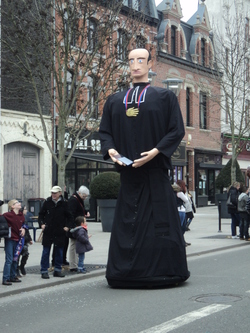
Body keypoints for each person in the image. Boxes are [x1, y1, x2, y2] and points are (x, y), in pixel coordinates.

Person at [99, 47, 190, 288]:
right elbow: (105, 132)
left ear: (151, 63)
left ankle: (163, 271)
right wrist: (112, 151)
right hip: (129, 177)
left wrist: (156, 151)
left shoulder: (165, 97)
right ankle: (124, 271)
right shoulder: (115, 100)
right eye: (131, 60)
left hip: (155, 176)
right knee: (127, 222)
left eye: (141, 60)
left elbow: (176, 130)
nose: (135, 65)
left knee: (159, 222)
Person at [39, 186, 73, 279]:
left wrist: (67, 226)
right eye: (52, 193)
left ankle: (57, 270)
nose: (53, 195)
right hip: (48, 230)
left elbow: (70, 216)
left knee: (59, 251)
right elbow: (41, 214)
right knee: (46, 251)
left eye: (55, 193)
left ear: (60, 193)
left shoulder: (64, 203)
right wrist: (41, 224)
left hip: (59, 230)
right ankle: (44, 270)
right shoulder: (47, 202)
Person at [1, 199, 26, 286]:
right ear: (12, 206)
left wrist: (24, 229)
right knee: (9, 259)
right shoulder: (7, 215)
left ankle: (13, 276)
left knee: (15, 258)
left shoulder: (21, 215)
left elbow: (24, 224)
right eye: (17, 203)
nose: (19, 204)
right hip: (10, 239)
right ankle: (6, 278)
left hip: (18, 239)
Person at [68, 185, 90, 272]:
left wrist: (85, 212)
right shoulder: (74, 200)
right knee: (73, 245)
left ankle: (75, 263)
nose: (85, 198)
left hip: (78, 225)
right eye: (84, 196)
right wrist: (74, 226)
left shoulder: (78, 199)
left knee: (75, 245)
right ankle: (73, 265)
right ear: (80, 193)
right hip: (75, 226)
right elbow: (71, 214)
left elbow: (80, 209)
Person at [16, 206, 33, 277]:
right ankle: (16, 269)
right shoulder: (18, 218)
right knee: (17, 255)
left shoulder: (24, 218)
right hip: (18, 239)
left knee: (26, 254)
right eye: (25, 209)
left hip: (25, 239)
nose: (26, 211)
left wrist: (30, 239)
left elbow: (27, 230)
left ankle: (22, 266)